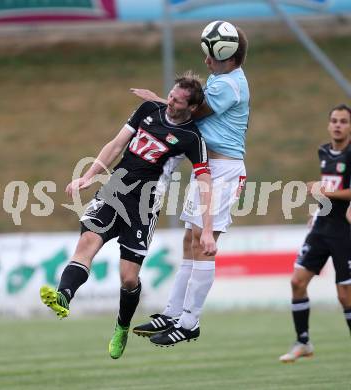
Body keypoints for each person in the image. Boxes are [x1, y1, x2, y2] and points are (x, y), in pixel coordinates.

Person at [39, 73, 217, 360]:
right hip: (114, 190)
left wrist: (207, 228)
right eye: (170, 95)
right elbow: (115, 144)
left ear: (191, 107)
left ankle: (122, 326)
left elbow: (206, 182)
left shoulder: (192, 138)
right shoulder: (148, 110)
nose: (169, 101)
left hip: (144, 205)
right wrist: (87, 177)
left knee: (128, 279)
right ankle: (63, 296)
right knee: (87, 242)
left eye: (177, 100)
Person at [132, 21, 250, 346]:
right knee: (190, 239)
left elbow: (190, 114)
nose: (206, 62)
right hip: (208, 166)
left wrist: (157, 100)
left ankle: (190, 322)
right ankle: (173, 313)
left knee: (204, 241)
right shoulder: (221, 77)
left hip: (224, 169)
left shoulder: (229, 86)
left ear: (225, 56)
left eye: (210, 56)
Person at [279, 104, 351, 363]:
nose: (338, 125)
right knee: (297, 282)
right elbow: (330, 188)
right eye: (334, 120)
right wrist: (319, 207)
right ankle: (303, 341)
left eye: (343, 121)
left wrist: (324, 193)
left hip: (345, 231)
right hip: (322, 226)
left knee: (345, 296)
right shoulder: (324, 151)